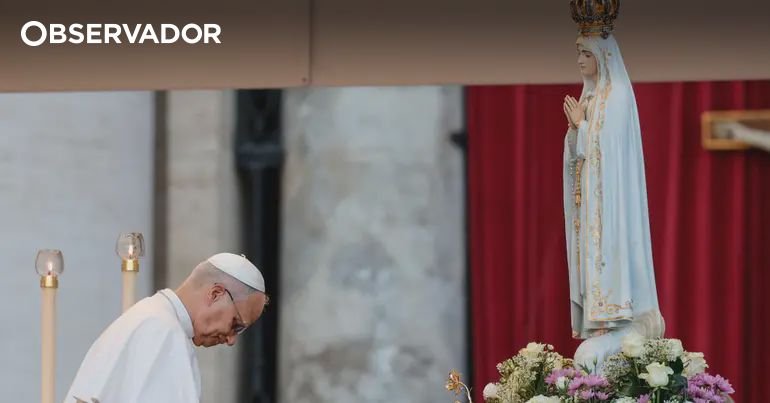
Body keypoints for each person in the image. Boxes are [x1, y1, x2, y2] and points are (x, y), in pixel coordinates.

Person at [562, 0, 665, 372]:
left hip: (611, 208)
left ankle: (620, 316)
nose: (579, 61)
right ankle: (603, 319)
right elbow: (580, 156)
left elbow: (609, 154)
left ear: (602, 56)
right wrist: (577, 130)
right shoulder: (591, 98)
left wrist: (583, 127)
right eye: (577, 53)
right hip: (592, 207)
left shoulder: (616, 97)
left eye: (584, 53)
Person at [63, 253, 268, 402]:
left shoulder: (150, 318)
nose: (231, 340)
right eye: (236, 324)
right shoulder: (162, 331)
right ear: (215, 294)